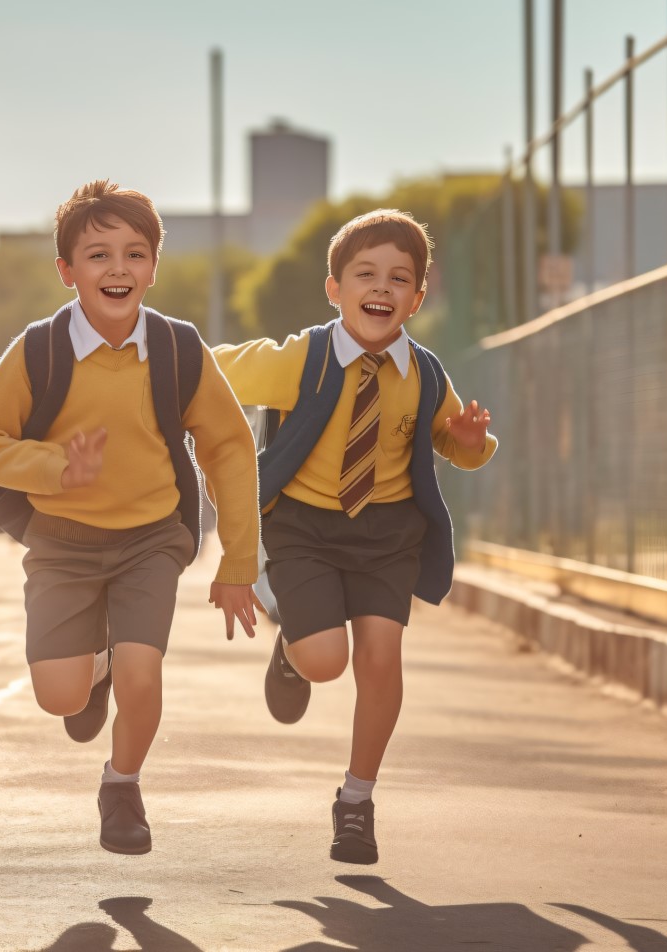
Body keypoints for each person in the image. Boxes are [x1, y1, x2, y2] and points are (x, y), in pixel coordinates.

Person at [0, 179, 261, 855]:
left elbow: (230, 451)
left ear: (153, 266)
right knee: (61, 698)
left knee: (143, 671)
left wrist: (239, 564)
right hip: (60, 543)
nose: (117, 268)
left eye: (134, 253)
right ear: (67, 272)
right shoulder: (38, 350)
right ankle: (89, 668)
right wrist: (55, 470)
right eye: (97, 255)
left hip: (151, 537)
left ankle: (122, 785)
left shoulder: (181, 351)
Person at [212, 208, 497, 865]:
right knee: (325, 661)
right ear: (334, 288)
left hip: (388, 534)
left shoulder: (425, 374)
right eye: (365, 273)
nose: (382, 287)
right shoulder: (299, 358)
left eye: (400, 278)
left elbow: (455, 441)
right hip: (303, 529)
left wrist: (473, 443)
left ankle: (357, 801)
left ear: (418, 298)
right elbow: (209, 371)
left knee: (379, 660)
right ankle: (292, 646)